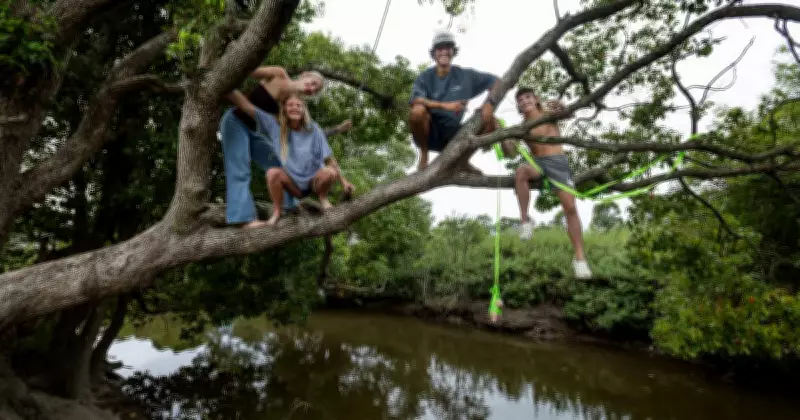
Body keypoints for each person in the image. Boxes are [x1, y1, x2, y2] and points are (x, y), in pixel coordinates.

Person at [219, 66, 352, 228]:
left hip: (255, 131)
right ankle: (242, 219)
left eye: (315, 90)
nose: (312, 89)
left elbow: (309, 132)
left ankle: (289, 207)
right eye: (312, 83)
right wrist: (223, 84)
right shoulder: (278, 74)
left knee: (279, 164)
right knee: (240, 170)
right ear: (304, 74)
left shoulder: (292, 103)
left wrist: (338, 129)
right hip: (236, 122)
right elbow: (244, 68)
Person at [500, 87, 592, 279]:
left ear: (535, 99)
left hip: (557, 162)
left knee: (570, 208)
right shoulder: (521, 127)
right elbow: (510, 152)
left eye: (527, 97)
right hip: (537, 164)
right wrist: (502, 135)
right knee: (520, 172)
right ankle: (525, 221)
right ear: (518, 105)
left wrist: (563, 106)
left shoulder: (547, 114)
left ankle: (580, 258)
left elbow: (569, 114)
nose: (524, 101)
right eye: (520, 99)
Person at [408, 30, 501, 172]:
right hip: (430, 132)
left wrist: (490, 103)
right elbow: (415, 100)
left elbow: (497, 81)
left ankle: (463, 161)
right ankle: (424, 155)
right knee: (417, 111)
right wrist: (444, 105)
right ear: (433, 53)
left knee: (490, 120)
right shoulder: (425, 77)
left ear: (453, 51)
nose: (444, 51)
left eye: (448, 47)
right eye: (440, 48)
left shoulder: (466, 76)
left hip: (455, 134)